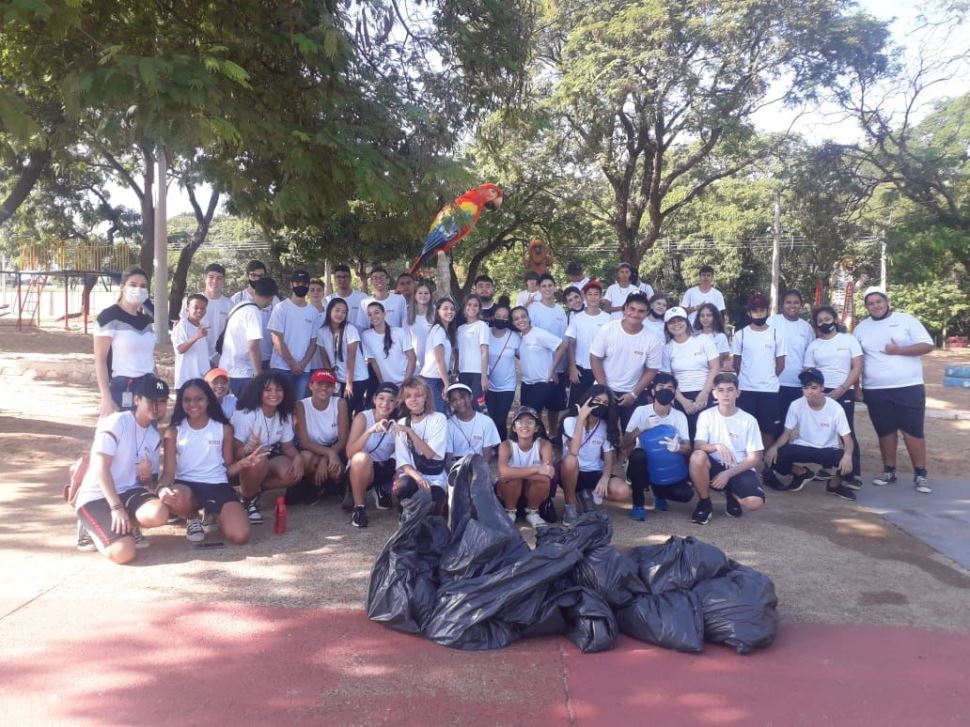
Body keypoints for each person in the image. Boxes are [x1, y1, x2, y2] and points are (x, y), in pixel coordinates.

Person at [74, 377, 172, 562]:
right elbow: (100, 467)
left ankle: (127, 526)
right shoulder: (117, 422)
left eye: (161, 401)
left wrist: (145, 478)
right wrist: (116, 507)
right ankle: (89, 527)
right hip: (97, 495)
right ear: (137, 399)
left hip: (128, 491)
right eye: (150, 400)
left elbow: (147, 483)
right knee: (123, 553)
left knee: (159, 513)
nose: (156, 406)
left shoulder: (153, 436)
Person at [160, 379, 263, 544]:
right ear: (181, 403)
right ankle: (192, 517)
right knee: (175, 498)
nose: (193, 404)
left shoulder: (223, 429)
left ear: (208, 400)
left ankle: (213, 512)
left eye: (198, 399)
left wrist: (242, 464)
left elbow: (227, 469)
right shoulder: (173, 431)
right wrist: (162, 489)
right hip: (186, 486)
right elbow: (168, 473)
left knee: (241, 536)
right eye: (187, 400)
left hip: (218, 485)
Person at [853, 287, 935, 493]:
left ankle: (920, 474)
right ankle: (889, 471)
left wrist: (899, 350)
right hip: (875, 389)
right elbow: (855, 359)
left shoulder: (906, 320)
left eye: (878, 301)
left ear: (887, 302)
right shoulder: (861, 328)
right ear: (866, 306)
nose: (875, 306)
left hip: (908, 387)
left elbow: (928, 345)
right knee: (885, 431)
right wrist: (857, 387)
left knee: (912, 431)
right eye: (870, 303)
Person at [763, 368, 856, 500]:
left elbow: (847, 439)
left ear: (822, 388)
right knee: (774, 456)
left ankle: (834, 485)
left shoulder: (835, 408)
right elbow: (786, 434)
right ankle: (802, 473)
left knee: (852, 462)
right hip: (803, 446)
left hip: (827, 449)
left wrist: (847, 455)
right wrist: (774, 447)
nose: (809, 391)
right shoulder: (796, 405)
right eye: (806, 388)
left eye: (814, 388)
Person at [689, 372, 766, 524]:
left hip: (739, 467)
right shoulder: (706, 415)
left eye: (730, 390)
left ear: (738, 393)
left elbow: (755, 457)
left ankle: (732, 495)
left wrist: (728, 474)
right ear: (714, 393)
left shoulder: (749, 420)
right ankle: (704, 502)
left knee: (754, 503)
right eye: (721, 390)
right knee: (697, 456)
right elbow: (698, 445)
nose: (725, 394)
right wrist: (717, 446)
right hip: (714, 465)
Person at [231, 371, 305, 523]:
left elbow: (287, 445)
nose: (274, 394)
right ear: (259, 391)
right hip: (244, 461)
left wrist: (298, 457)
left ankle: (252, 491)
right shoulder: (247, 414)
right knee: (259, 459)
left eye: (279, 389)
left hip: (268, 456)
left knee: (292, 471)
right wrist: (248, 448)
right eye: (268, 390)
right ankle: (248, 500)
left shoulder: (283, 413)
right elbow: (234, 451)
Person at [804, 305, 863, 488]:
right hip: (822, 391)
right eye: (820, 321)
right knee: (825, 430)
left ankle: (853, 473)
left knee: (846, 431)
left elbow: (857, 367)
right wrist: (818, 391)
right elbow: (809, 371)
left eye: (827, 319)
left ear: (835, 320)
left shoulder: (849, 340)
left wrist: (843, 388)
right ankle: (827, 467)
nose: (824, 323)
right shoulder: (814, 346)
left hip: (844, 390)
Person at [620, 373, 693, 521]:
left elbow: (688, 447)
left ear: (674, 392)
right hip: (643, 465)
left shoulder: (679, 416)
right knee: (638, 455)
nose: (665, 390)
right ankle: (638, 505)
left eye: (670, 388)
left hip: (667, 468)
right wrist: (641, 428)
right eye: (661, 387)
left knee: (685, 495)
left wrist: (678, 447)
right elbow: (624, 443)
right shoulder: (641, 411)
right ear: (653, 391)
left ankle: (659, 493)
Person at [589, 292, 662, 428]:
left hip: (634, 391)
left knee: (633, 433)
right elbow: (595, 358)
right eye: (632, 309)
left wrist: (633, 394)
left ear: (647, 313)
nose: (635, 314)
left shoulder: (653, 337)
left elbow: (652, 369)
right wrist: (605, 390)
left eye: (641, 311)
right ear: (625, 309)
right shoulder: (607, 329)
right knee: (598, 431)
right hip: (604, 388)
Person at [94, 266, 156, 417]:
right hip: (122, 388)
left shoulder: (146, 321)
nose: (138, 289)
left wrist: (157, 388)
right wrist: (106, 398)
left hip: (148, 387)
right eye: (133, 285)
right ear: (122, 287)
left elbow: (150, 358)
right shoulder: (108, 317)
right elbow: (100, 359)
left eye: (143, 286)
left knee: (147, 431)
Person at [390, 377, 449, 519]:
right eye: (408, 396)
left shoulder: (439, 419)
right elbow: (403, 461)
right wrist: (417, 477)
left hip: (434, 476)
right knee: (403, 487)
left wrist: (410, 432)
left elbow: (429, 454)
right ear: (403, 400)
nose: (413, 400)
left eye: (418, 395)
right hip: (413, 474)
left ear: (426, 397)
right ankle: (405, 514)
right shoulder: (402, 422)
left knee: (433, 505)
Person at [732, 293, 786, 448]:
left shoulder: (776, 334)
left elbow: (781, 365)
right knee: (745, 429)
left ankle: (767, 461)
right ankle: (747, 461)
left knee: (768, 430)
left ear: (767, 311)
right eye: (755, 311)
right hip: (746, 390)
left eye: (762, 310)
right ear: (749, 313)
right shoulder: (740, 335)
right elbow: (736, 364)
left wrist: (767, 377)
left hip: (769, 390)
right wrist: (748, 378)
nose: (759, 314)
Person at [560, 385, 618, 523]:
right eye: (597, 401)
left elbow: (608, 456)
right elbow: (574, 451)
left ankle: (585, 493)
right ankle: (570, 506)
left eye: (605, 403)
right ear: (588, 400)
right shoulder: (570, 421)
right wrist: (581, 419)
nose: (600, 405)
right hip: (572, 471)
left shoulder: (605, 425)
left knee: (622, 491)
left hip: (594, 471)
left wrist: (605, 477)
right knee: (571, 460)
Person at [661, 306, 719, 442]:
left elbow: (715, 367)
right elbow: (667, 379)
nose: (676, 325)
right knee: (686, 438)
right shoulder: (667, 348)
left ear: (687, 322)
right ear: (667, 326)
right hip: (680, 396)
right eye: (672, 322)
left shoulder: (703, 339)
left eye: (680, 320)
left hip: (705, 393)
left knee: (707, 437)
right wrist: (683, 401)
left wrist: (704, 393)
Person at [511, 305, 568, 438]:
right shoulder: (518, 338)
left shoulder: (538, 333)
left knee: (552, 411)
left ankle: (552, 438)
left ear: (529, 318)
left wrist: (552, 368)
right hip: (528, 384)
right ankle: (540, 440)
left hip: (544, 382)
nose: (521, 320)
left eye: (523, 317)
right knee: (531, 417)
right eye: (516, 319)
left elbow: (562, 345)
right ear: (513, 322)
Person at [346, 383, 399, 525]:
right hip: (363, 468)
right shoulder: (363, 417)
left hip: (385, 467)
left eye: (391, 400)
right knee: (361, 458)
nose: (385, 404)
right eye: (381, 398)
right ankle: (359, 508)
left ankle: (382, 489)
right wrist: (370, 431)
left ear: (396, 403)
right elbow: (350, 452)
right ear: (374, 399)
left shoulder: (399, 420)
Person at [294, 369, 350, 501]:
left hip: (334, 447)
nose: (324, 388)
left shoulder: (340, 403)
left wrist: (325, 458)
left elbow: (343, 440)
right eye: (319, 384)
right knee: (305, 458)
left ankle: (333, 486)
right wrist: (329, 454)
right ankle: (313, 485)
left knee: (335, 470)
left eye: (329, 385)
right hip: (311, 449)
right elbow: (304, 443)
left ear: (334, 388)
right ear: (310, 385)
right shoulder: (300, 405)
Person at [219, 277, 280, 398]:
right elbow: (253, 346)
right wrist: (259, 375)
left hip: (227, 368)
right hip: (242, 373)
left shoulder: (241, 306)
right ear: (271, 298)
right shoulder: (253, 312)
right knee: (248, 408)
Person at [497, 406, 556, 529]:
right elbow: (502, 474)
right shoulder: (506, 445)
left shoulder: (544, 445)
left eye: (530, 422)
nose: (524, 425)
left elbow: (548, 474)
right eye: (520, 422)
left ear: (537, 428)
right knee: (512, 480)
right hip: (509, 493)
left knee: (542, 481)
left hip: (533, 494)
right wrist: (537, 469)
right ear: (514, 428)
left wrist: (515, 473)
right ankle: (510, 512)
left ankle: (533, 512)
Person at [268, 270, 320, 399]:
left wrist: (303, 364)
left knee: (299, 405)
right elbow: (276, 338)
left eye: (304, 283)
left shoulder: (313, 312)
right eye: (297, 283)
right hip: (280, 367)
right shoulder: (280, 308)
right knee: (278, 404)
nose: (301, 286)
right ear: (291, 284)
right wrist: (292, 364)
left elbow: (314, 342)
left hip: (303, 370)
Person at [528, 273, 570, 435]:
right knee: (537, 406)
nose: (547, 289)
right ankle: (538, 435)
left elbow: (564, 339)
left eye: (550, 285)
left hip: (559, 366)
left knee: (555, 406)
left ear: (555, 287)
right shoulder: (533, 309)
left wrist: (566, 364)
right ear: (539, 289)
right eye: (543, 286)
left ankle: (552, 434)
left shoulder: (560, 310)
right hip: (540, 367)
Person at [768, 289, 815, 422]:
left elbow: (811, 357)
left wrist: (807, 382)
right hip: (774, 382)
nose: (792, 305)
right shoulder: (772, 322)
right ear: (782, 304)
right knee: (773, 423)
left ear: (801, 305)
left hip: (797, 383)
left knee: (791, 424)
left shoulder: (806, 328)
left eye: (796, 302)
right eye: (788, 302)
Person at [317, 297, 369, 415]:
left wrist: (349, 383)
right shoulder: (322, 331)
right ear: (329, 310)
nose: (340, 314)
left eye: (344, 312)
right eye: (337, 310)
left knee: (348, 411)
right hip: (338, 378)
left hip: (356, 378)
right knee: (338, 411)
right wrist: (331, 378)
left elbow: (351, 357)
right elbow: (324, 357)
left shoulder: (350, 329)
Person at [565, 280, 611, 407]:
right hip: (581, 370)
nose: (593, 297)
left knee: (598, 406)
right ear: (584, 296)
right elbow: (571, 344)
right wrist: (572, 367)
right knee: (577, 407)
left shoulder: (608, 318)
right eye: (589, 294)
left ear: (601, 296)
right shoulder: (577, 318)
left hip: (601, 369)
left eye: (596, 294)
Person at [180, 263, 232, 367]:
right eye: (211, 277)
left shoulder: (229, 304)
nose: (215, 281)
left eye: (219, 278)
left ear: (224, 281)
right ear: (204, 278)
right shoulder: (191, 301)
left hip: (219, 358)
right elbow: (183, 327)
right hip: (195, 355)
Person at [230, 260, 278, 370]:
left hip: (268, 356)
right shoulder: (238, 298)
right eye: (253, 275)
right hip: (243, 360)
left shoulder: (274, 300)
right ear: (247, 276)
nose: (257, 279)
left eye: (261, 276)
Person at [484, 301, 520, 441]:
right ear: (493, 316)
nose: (501, 319)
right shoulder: (485, 333)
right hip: (487, 384)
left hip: (507, 385)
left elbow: (524, 355)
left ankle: (502, 446)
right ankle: (490, 446)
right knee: (489, 418)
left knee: (501, 419)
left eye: (505, 317)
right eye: (498, 315)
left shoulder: (514, 336)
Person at [361, 301, 416, 386]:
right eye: (370, 314)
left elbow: (412, 358)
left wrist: (406, 381)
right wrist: (382, 383)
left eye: (376, 312)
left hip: (405, 382)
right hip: (387, 385)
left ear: (384, 313)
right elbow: (374, 362)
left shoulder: (399, 332)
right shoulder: (366, 336)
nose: (373, 316)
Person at [445, 383, 501, 463]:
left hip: (479, 464)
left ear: (471, 397)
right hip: (456, 466)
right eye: (454, 400)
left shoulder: (486, 421)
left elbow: (487, 456)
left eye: (462, 397)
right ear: (451, 404)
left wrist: (478, 469)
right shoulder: (448, 425)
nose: (459, 402)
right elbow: (449, 458)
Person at [418, 298, 457, 414]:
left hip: (438, 379)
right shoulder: (438, 330)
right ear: (438, 311)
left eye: (452, 309)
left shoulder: (445, 331)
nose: (449, 311)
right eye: (445, 308)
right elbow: (439, 359)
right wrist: (446, 383)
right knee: (439, 415)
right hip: (432, 380)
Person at [455, 294, 490, 405]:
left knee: (477, 404)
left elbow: (484, 350)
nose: (472, 308)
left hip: (478, 372)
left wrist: (484, 376)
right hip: (463, 372)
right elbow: (458, 352)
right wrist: (455, 371)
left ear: (479, 308)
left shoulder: (482, 325)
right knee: (464, 405)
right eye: (469, 304)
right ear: (465, 307)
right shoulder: (460, 329)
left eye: (475, 305)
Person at [173, 294, 211, 389]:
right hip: (186, 380)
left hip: (202, 379)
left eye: (203, 308)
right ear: (187, 309)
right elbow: (180, 349)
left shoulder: (203, 326)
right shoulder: (182, 326)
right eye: (195, 308)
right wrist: (196, 336)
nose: (199, 311)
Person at [325, 264, 367, 330]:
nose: (342, 280)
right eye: (339, 277)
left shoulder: (362, 297)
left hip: (360, 336)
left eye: (345, 277)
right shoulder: (329, 300)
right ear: (334, 279)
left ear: (350, 278)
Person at [405, 282, 436, 368]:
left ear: (430, 295)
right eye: (420, 293)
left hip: (434, 362)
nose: (423, 295)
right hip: (415, 363)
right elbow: (406, 342)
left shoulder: (436, 313)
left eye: (426, 293)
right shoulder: (407, 315)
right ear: (415, 295)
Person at [693, 302, 732, 371]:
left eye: (709, 315)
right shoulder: (694, 337)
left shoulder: (720, 337)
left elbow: (720, 360)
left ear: (715, 317)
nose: (705, 318)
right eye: (702, 316)